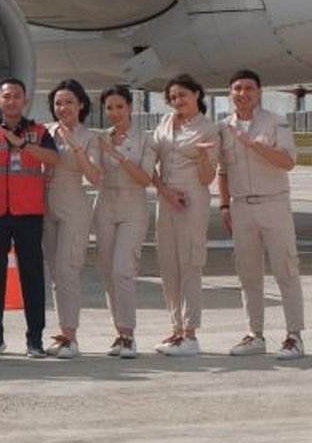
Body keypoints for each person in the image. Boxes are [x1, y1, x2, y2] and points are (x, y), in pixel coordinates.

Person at [217, 69, 304, 360]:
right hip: (241, 207)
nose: (243, 93)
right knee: (248, 273)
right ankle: (255, 334)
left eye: (249, 88)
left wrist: (253, 144)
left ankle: (294, 336)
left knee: (286, 271)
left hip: (274, 204)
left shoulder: (276, 122)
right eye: (237, 88)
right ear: (230, 93)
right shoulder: (223, 128)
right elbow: (223, 171)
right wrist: (225, 205)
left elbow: (288, 162)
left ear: (259, 92)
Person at [0, 77, 59, 358]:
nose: (11, 101)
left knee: (32, 277)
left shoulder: (38, 131)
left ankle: (34, 339)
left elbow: (54, 159)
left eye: (16, 97)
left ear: (25, 101)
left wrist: (22, 145)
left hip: (28, 215)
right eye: (6, 96)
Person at [149, 73, 218, 357]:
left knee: (190, 262)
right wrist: (164, 191)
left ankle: (191, 333)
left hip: (192, 198)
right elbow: (148, 162)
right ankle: (176, 328)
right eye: (173, 97)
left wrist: (202, 155)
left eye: (183, 95)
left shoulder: (208, 129)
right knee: (168, 264)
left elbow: (207, 176)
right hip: (166, 198)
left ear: (197, 95)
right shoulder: (164, 124)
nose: (178, 101)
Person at [93, 85, 155, 359]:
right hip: (105, 204)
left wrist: (117, 154)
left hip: (133, 205)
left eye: (119, 107)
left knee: (122, 270)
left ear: (130, 107)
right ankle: (118, 333)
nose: (114, 113)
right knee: (107, 272)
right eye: (109, 108)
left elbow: (145, 178)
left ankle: (129, 334)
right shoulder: (100, 138)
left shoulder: (145, 139)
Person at [42, 79, 102, 359]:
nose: (62, 107)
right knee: (55, 273)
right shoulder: (44, 132)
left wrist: (76, 147)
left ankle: (72, 337)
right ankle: (62, 332)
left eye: (68, 102)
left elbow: (96, 177)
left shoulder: (89, 137)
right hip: (45, 205)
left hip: (73, 204)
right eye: (58, 103)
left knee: (68, 270)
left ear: (81, 105)